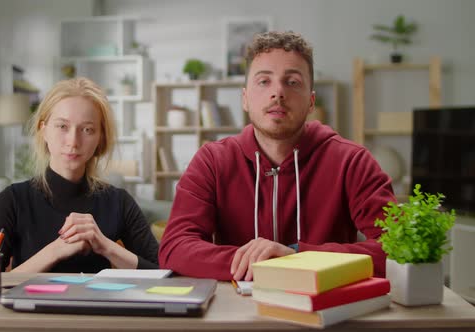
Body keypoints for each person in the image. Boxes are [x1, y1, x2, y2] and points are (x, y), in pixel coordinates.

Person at [158, 31, 395, 281]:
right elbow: (175, 248)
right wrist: (263, 263)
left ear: (311, 101)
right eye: (264, 81)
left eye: (292, 82)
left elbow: (396, 249)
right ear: (245, 99)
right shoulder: (212, 161)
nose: (278, 92)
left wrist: (296, 257)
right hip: (236, 312)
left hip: (325, 312)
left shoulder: (352, 161)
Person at [0, 77, 159, 273]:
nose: (73, 141)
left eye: (87, 129)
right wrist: (55, 251)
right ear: (43, 130)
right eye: (62, 126)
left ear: (100, 138)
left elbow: (164, 273)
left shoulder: (119, 202)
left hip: (96, 304)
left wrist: (105, 246)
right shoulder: (11, 201)